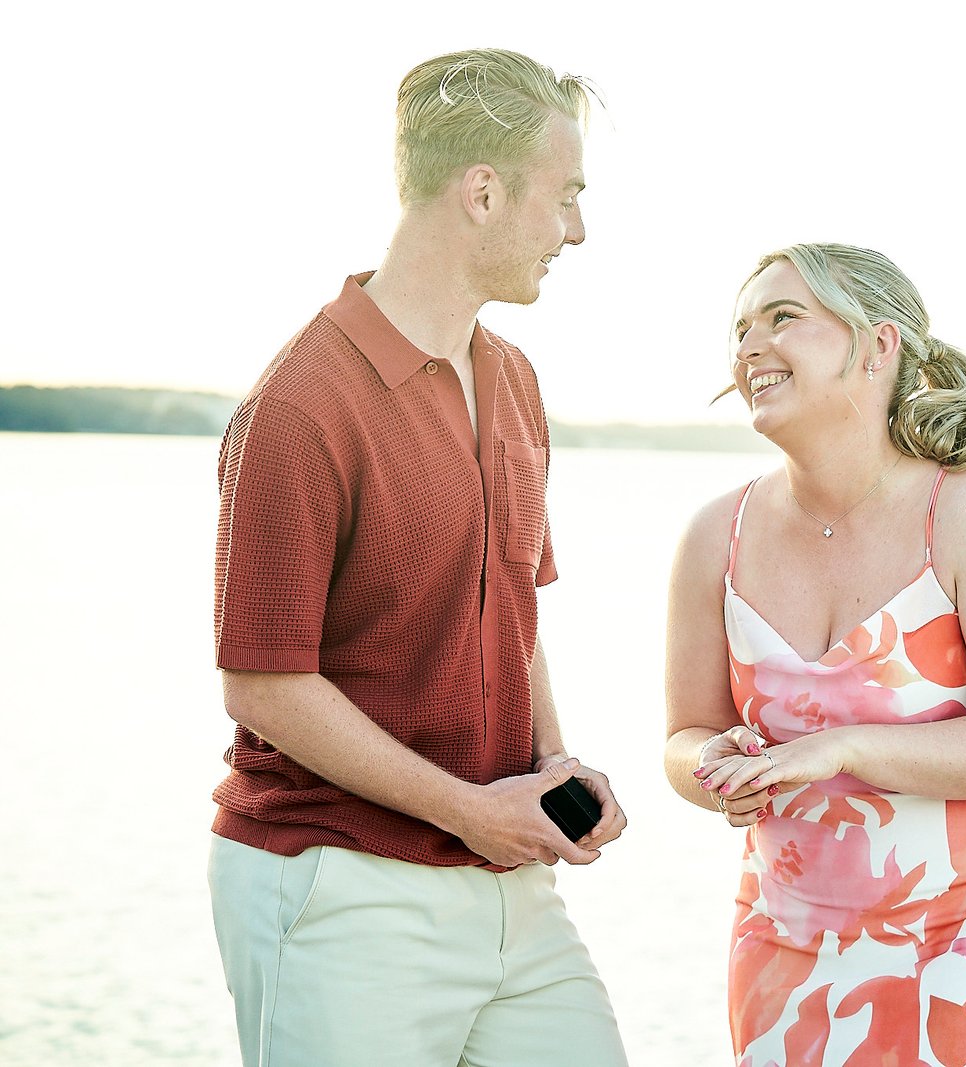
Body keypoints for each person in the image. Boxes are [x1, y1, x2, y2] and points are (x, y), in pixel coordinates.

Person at [208, 48, 629, 1067]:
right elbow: (264, 684)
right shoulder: (301, 407)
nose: (576, 230)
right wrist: (470, 810)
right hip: (341, 889)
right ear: (481, 192)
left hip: (511, 893)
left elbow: (513, 607)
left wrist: (552, 766)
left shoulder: (514, 379)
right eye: (564, 196)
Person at [664, 242, 966, 1065]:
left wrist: (841, 748)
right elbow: (683, 735)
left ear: (880, 346)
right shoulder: (717, 534)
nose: (750, 346)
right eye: (741, 327)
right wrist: (712, 765)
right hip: (787, 934)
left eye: (784, 318)